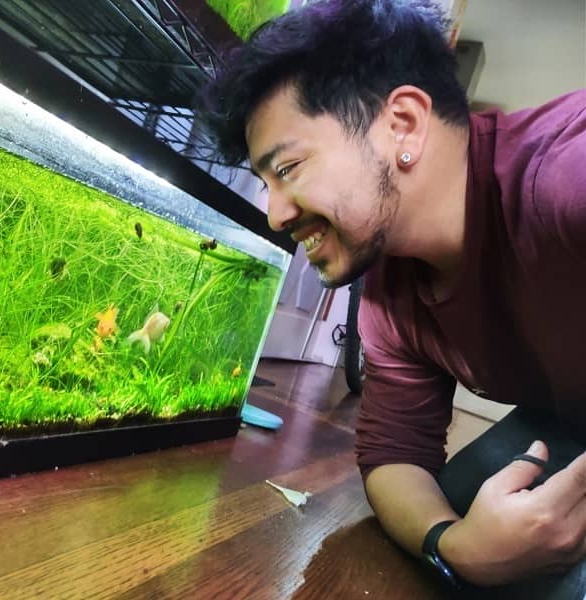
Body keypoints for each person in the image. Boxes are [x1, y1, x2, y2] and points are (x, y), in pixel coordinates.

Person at [197, 0, 586, 595]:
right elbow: (393, 454)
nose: (275, 215)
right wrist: (453, 545)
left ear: (403, 123)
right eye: (266, 182)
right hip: (563, 419)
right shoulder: (389, 292)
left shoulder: (560, 177)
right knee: (455, 522)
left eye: (290, 168)